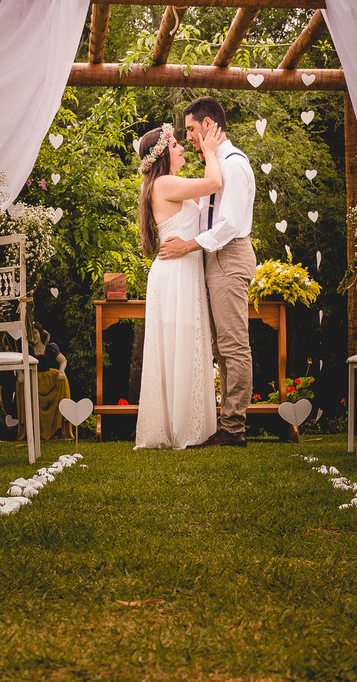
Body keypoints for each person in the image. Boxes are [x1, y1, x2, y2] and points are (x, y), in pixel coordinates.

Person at [159, 97, 257, 448]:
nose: (188, 137)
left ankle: (234, 429)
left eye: (190, 129)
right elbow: (206, 211)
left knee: (233, 344)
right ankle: (228, 425)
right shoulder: (216, 163)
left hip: (229, 255)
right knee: (221, 345)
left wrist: (187, 245)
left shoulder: (233, 164)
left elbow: (228, 223)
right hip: (214, 258)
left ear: (209, 126)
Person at [134, 119, 227, 449]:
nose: (183, 147)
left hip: (181, 271)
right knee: (177, 346)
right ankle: (180, 429)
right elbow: (214, 181)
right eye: (175, 146)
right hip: (175, 276)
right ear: (162, 156)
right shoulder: (165, 184)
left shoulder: (166, 183)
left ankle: (187, 426)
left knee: (183, 345)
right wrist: (212, 150)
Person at [19, 324, 72, 440]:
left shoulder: (50, 348)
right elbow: (19, 363)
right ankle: (33, 431)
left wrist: (61, 372)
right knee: (22, 388)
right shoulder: (27, 350)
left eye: (35, 333)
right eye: (30, 334)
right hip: (34, 380)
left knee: (63, 385)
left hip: (49, 380)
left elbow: (63, 360)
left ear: (40, 334)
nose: (33, 336)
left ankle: (57, 430)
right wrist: (20, 374)